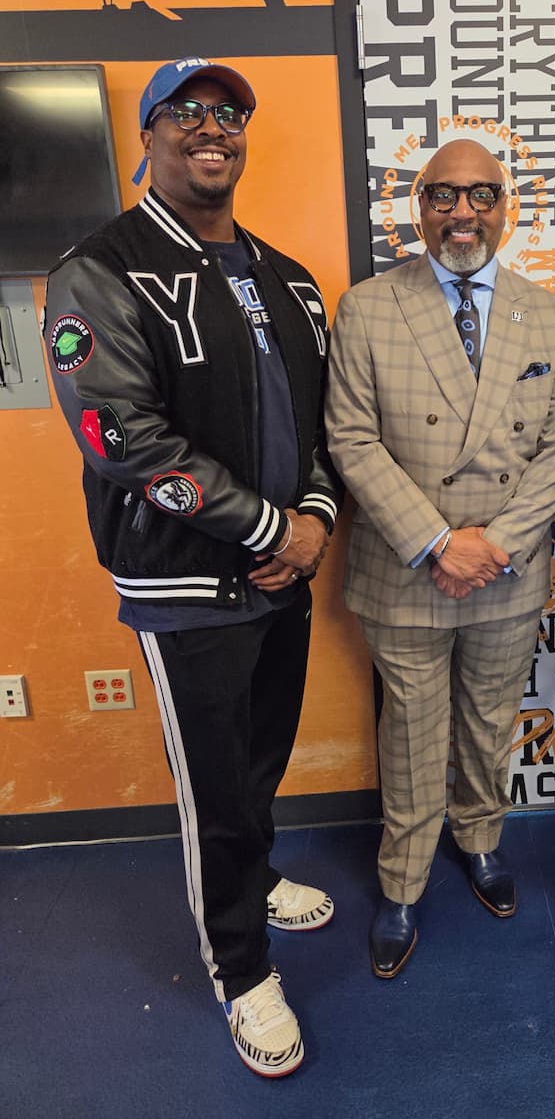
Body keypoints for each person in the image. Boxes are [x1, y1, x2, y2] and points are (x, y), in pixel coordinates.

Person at [44, 56, 342, 1077]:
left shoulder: (288, 276)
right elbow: (117, 433)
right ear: (149, 136)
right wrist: (268, 530)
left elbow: (322, 427)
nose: (211, 128)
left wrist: (309, 518)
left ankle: (254, 881)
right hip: (187, 580)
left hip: (285, 570)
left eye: (228, 114)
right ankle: (242, 971)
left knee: (260, 761)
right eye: (185, 113)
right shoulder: (100, 267)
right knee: (215, 789)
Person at [325, 138, 555, 978]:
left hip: (504, 571)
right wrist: (438, 542)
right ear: (418, 206)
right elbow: (351, 440)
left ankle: (479, 841)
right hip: (408, 568)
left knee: (488, 723)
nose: (461, 213)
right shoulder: (367, 307)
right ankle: (400, 883)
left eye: (480, 196)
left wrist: (494, 546)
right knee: (411, 733)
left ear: (506, 208)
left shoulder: (547, 313)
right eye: (443, 195)